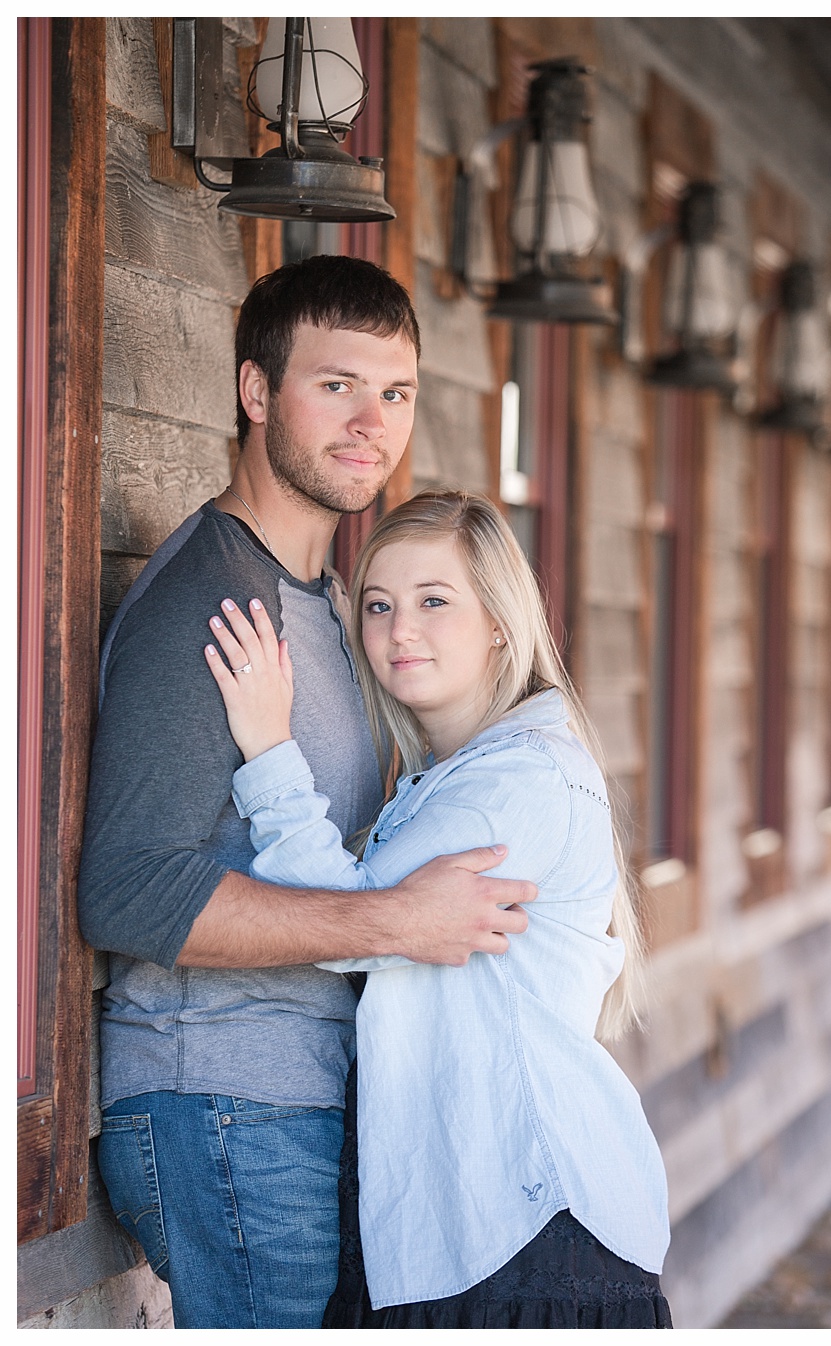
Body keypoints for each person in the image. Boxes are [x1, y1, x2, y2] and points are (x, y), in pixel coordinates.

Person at [78, 255, 535, 1328]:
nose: (371, 420)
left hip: (293, 1105)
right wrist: (396, 921)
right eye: (336, 385)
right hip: (223, 1101)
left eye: (396, 392)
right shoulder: (213, 600)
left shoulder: (332, 601)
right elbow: (130, 888)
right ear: (255, 392)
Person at [203, 490, 672, 1324]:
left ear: (499, 620)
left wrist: (271, 748)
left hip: (530, 1237)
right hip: (477, 1232)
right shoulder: (444, 780)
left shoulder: (518, 778)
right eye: (378, 606)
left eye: (433, 602)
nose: (399, 630)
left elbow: (359, 923)